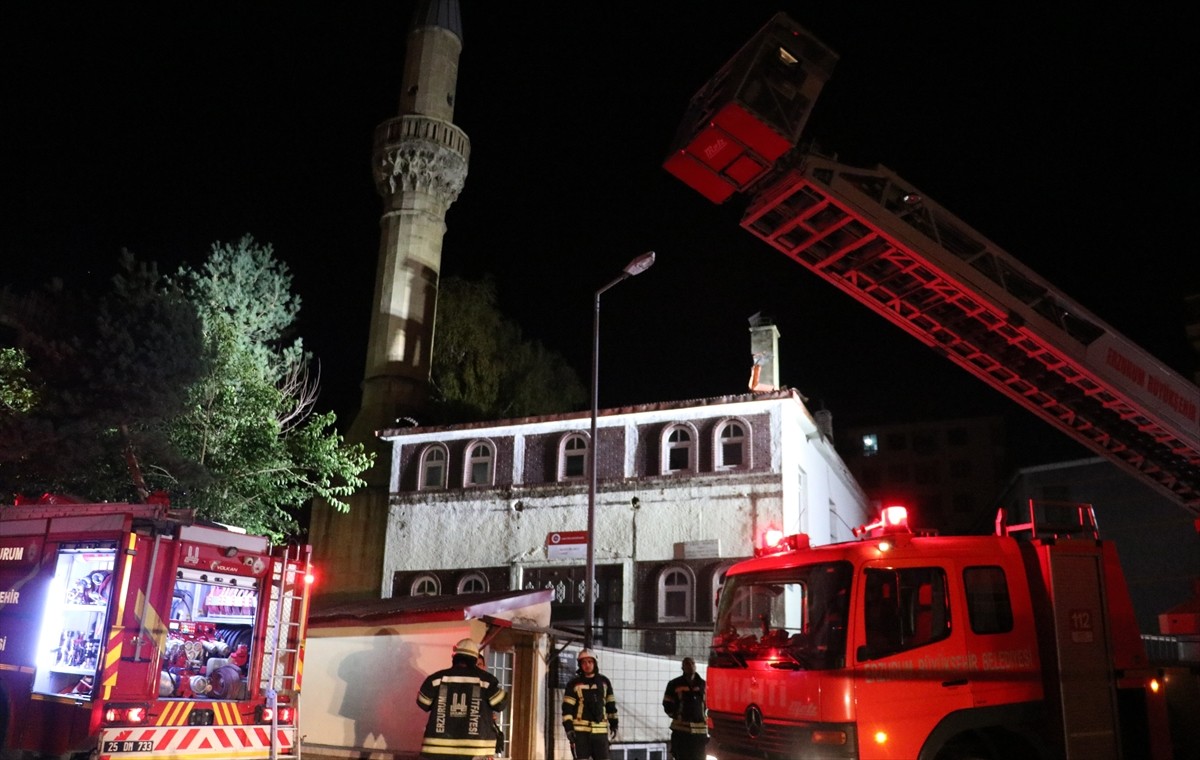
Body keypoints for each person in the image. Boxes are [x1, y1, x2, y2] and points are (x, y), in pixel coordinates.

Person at [416, 638, 509, 760]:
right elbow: (500, 703)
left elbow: (423, 703)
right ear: (475, 659)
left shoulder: (436, 679)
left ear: (455, 657)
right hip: (476, 750)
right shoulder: (486, 681)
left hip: (436, 749)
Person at [561, 649, 618, 760]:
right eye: (584, 662)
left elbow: (610, 705)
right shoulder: (574, 684)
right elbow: (567, 709)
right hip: (581, 733)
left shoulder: (604, 682)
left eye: (589, 662)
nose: (587, 665)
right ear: (580, 665)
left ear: (595, 663)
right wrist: (569, 729)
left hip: (601, 733)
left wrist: (614, 724)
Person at [662, 657, 708, 760]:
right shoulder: (674, 684)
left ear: (695, 666)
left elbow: (709, 704)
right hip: (681, 732)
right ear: (682, 667)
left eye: (692, 663)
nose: (690, 665)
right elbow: (667, 704)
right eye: (687, 664)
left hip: (699, 734)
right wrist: (677, 715)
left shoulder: (703, 685)